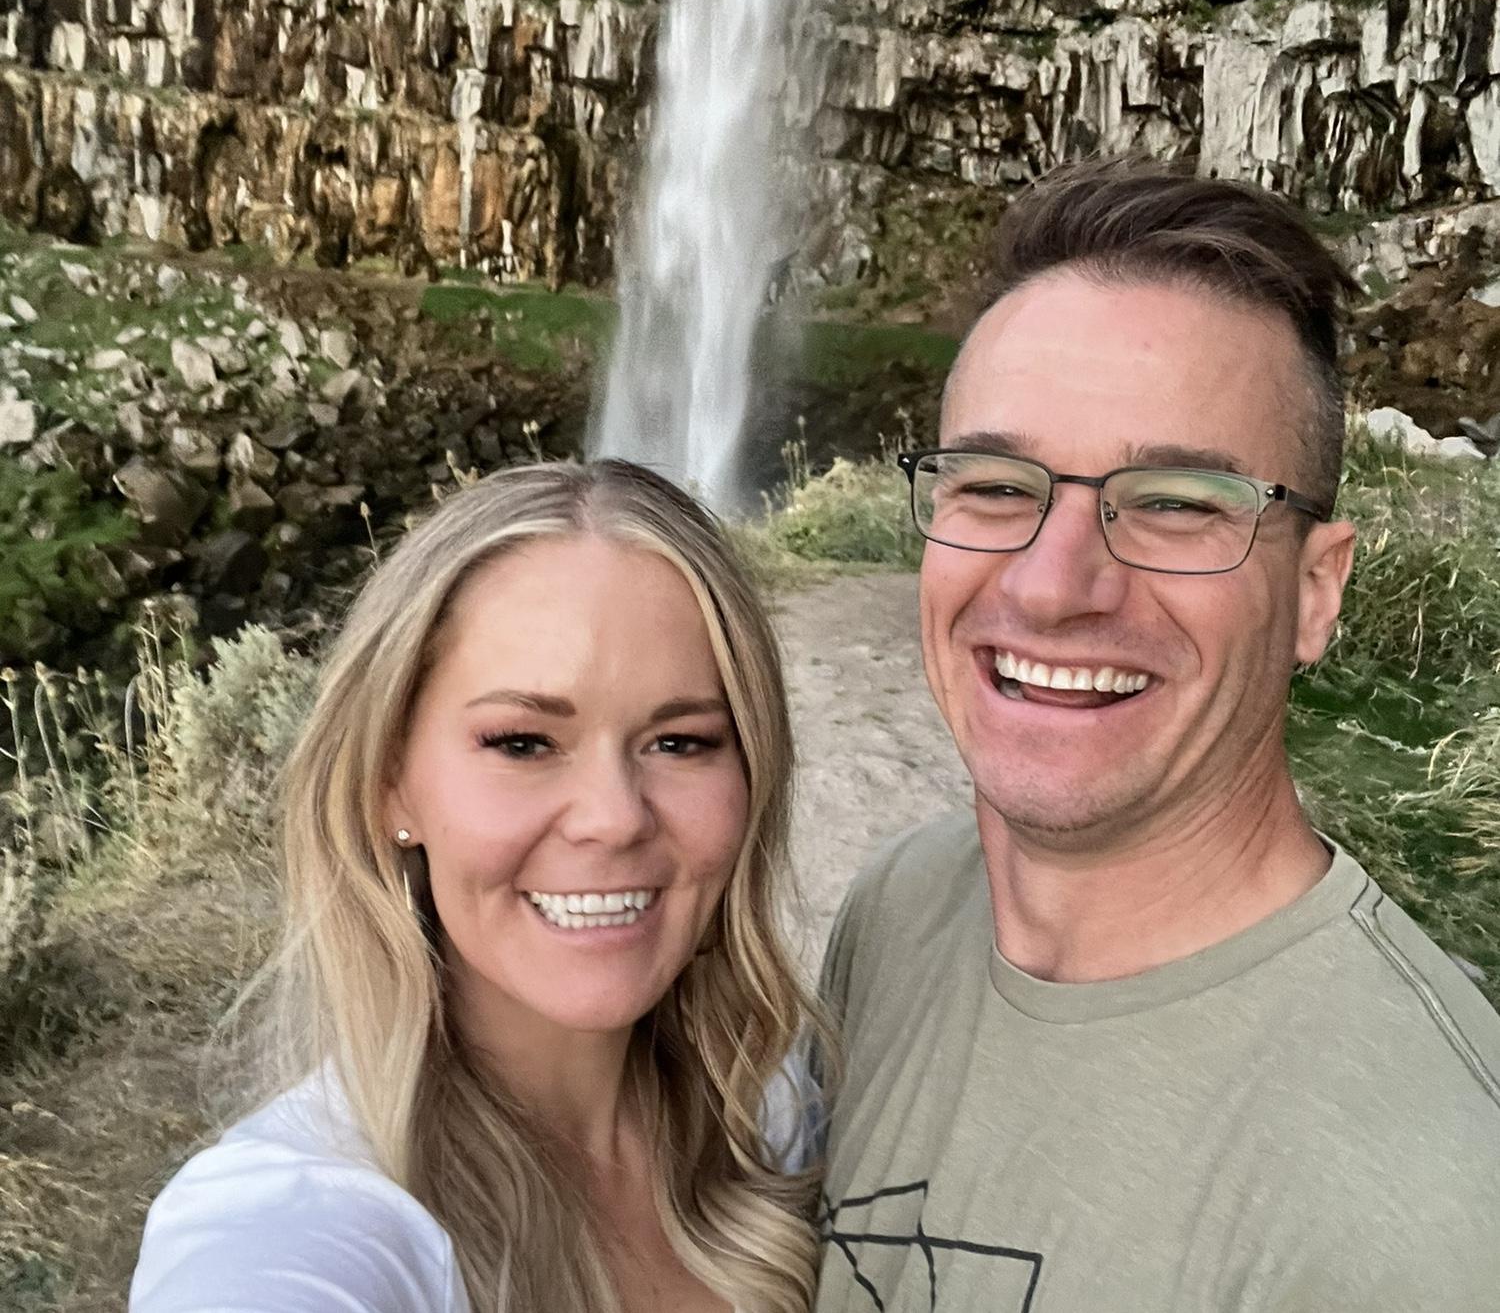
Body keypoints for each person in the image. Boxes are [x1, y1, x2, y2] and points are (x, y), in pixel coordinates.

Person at [814, 160, 1500, 1311]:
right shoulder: (900, 910)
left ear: (1317, 593)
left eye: (1178, 502)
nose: (1051, 587)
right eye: (994, 486)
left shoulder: (1429, 1213)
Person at [131, 459, 826, 1313]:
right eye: (523, 743)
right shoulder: (298, 1219)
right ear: (390, 784)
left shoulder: (776, 1113)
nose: (614, 818)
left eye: (680, 742)